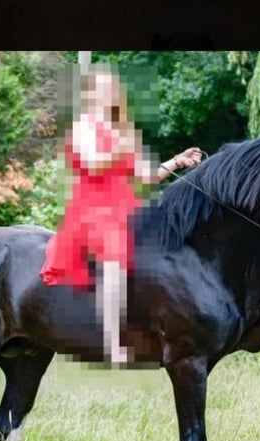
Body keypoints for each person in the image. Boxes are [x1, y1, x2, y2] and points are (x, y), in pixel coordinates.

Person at [39, 63, 203, 364]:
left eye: (111, 89)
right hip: (93, 208)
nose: (109, 94)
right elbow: (93, 163)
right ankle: (111, 341)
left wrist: (178, 162)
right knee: (114, 259)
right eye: (102, 89)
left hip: (124, 205)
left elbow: (146, 176)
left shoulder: (120, 131)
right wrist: (122, 145)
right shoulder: (83, 127)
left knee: (163, 250)